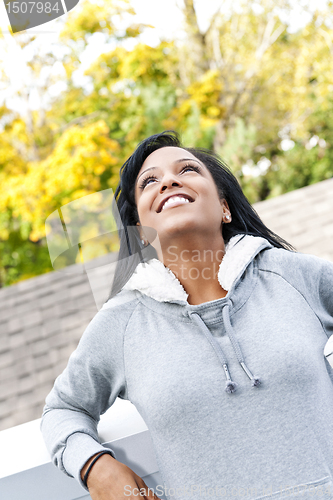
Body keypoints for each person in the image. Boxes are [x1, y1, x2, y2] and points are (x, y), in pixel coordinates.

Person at [41, 131, 333, 500]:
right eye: (149, 181)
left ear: (224, 207)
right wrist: (96, 468)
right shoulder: (122, 324)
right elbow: (62, 409)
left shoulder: (291, 276)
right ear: (141, 235)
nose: (168, 180)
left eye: (188, 169)